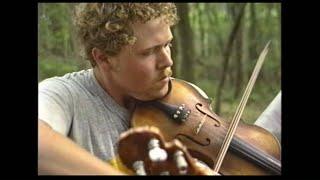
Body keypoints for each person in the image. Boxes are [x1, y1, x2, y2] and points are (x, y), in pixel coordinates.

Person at [38, 3, 178, 175]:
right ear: (104, 58)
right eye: (149, 52)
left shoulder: (185, 99)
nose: (167, 61)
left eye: (167, 45)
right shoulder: (63, 95)